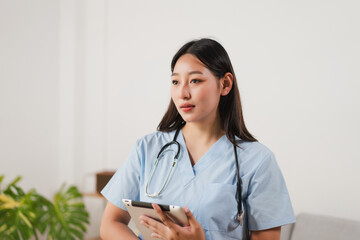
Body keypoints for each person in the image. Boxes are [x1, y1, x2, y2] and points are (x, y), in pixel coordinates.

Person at [100, 38, 296, 240]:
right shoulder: (147, 148)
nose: (183, 93)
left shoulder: (258, 161)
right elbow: (111, 224)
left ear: (225, 84)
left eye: (195, 81)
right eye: (175, 82)